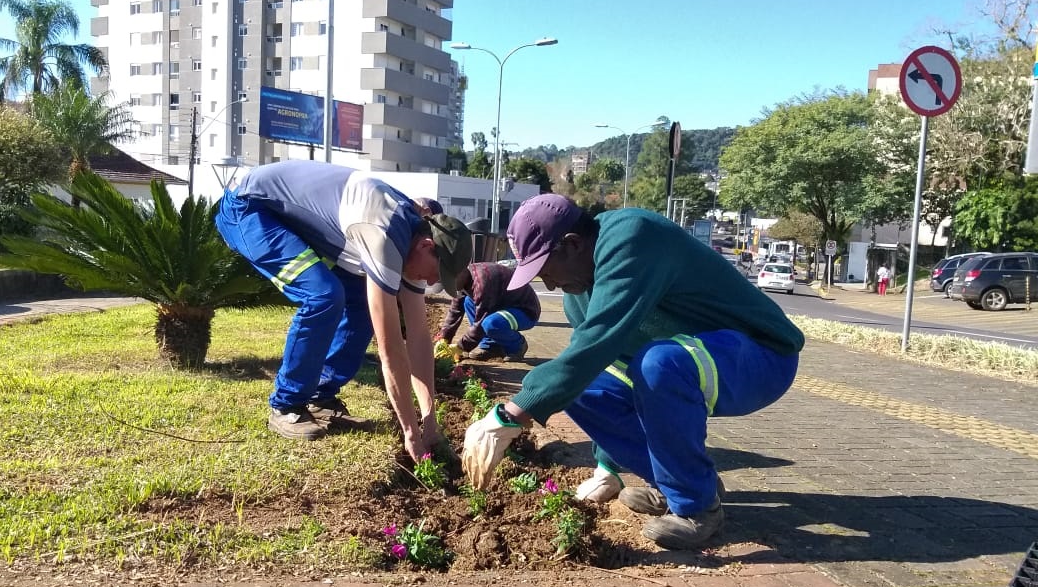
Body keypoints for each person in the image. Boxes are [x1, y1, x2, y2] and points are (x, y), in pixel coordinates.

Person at [461, 194, 805, 549]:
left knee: (658, 364)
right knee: (580, 386)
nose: (547, 285)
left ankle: (697, 509)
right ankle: (682, 484)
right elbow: (590, 363)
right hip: (693, 359)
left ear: (572, 245)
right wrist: (607, 469)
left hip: (760, 357)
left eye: (545, 271)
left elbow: (598, 341)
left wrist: (509, 414)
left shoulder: (632, 237)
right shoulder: (578, 291)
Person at [215, 160, 472, 460]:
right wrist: (410, 432)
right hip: (250, 209)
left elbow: (417, 337)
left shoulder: (413, 243)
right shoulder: (384, 237)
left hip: (295, 218)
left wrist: (430, 421)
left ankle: (320, 397)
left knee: (361, 303)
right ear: (427, 246)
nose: (431, 282)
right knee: (323, 295)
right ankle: (285, 405)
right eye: (437, 274)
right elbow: (390, 352)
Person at [435, 262, 541, 362]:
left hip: (525, 311)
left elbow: (480, 323)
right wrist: (444, 339)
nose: (448, 286)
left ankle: (517, 346)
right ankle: (491, 346)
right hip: (502, 305)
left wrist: (461, 347)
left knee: (490, 324)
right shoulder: (465, 280)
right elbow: (455, 310)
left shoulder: (482, 282)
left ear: (460, 271)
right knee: (468, 301)